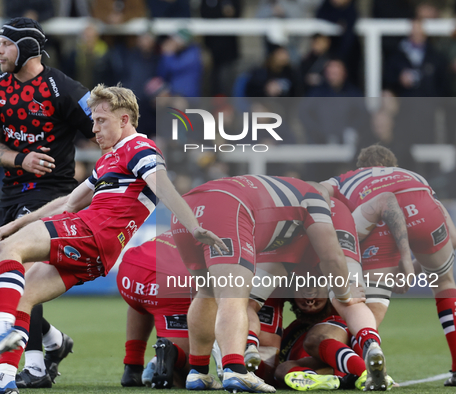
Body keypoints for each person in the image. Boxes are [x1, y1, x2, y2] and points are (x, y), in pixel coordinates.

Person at [0, 83, 227, 394]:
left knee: (9, 249)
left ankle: (0, 329)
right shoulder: (109, 159)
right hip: (97, 253)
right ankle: (5, 379)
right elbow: (69, 202)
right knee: (25, 296)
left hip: (91, 232)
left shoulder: (140, 148)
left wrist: (194, 226)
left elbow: (164, 187)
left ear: (125, 120)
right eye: (93, 120)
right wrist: (17, 223)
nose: (94, 128)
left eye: (101, 120)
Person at [172, 176, 393, 392]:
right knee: (350, 301)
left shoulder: (287, 190)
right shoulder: (321, 203)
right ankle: (369, 343)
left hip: (189, 209)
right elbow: (333, 258)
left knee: (213, 291)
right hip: (235, 210)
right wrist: (344, 293)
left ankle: (208, 367)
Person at [0, 17, 97, 389]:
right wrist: (19, 159)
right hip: (12, 191)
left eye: (6, 44)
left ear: (27, 48)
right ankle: (54, 340)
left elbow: (103, 124)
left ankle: (36, 366)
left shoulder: (64, 88)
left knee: (22, 272)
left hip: (52, 193)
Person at [322, 145, 456, 386]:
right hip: (426, 215)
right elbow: (449, 229)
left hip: (378, 225)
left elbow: (315, 190)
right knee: (444, 284)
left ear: (361, 167)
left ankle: (353, 365)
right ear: (392, 165)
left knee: (366, 311)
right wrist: (416, 265)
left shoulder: (347, 178)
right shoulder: (412, 175)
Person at [117, 231, 194, 389]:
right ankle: (166, 354)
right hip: (169, 281)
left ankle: (133, 366)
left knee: (145, 302)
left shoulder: (192, 220)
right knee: (189, 371)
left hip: (130, 270)